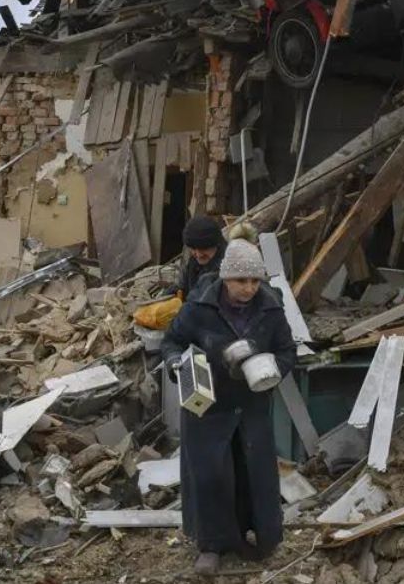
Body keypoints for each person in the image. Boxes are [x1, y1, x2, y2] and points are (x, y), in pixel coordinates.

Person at [162, 239, 297, 576]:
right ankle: (211, 546)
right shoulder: (199, 308)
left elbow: (287, 350)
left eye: (255, 281)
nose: (249, 288)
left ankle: (258, 534)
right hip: (208, 407)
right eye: (241, 281)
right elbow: (171, 341)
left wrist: (273, 368)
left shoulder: (270, 309)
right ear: (226, 279)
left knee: (253, 473)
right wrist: (177, 361)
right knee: (210, 476)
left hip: (250, 405)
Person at [178, 215, 227, 298]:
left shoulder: (228, 270)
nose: (199, 255)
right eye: (193, 248)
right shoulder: (191, 263)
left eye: (204, 248)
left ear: (217, 244)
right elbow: (183, 287)